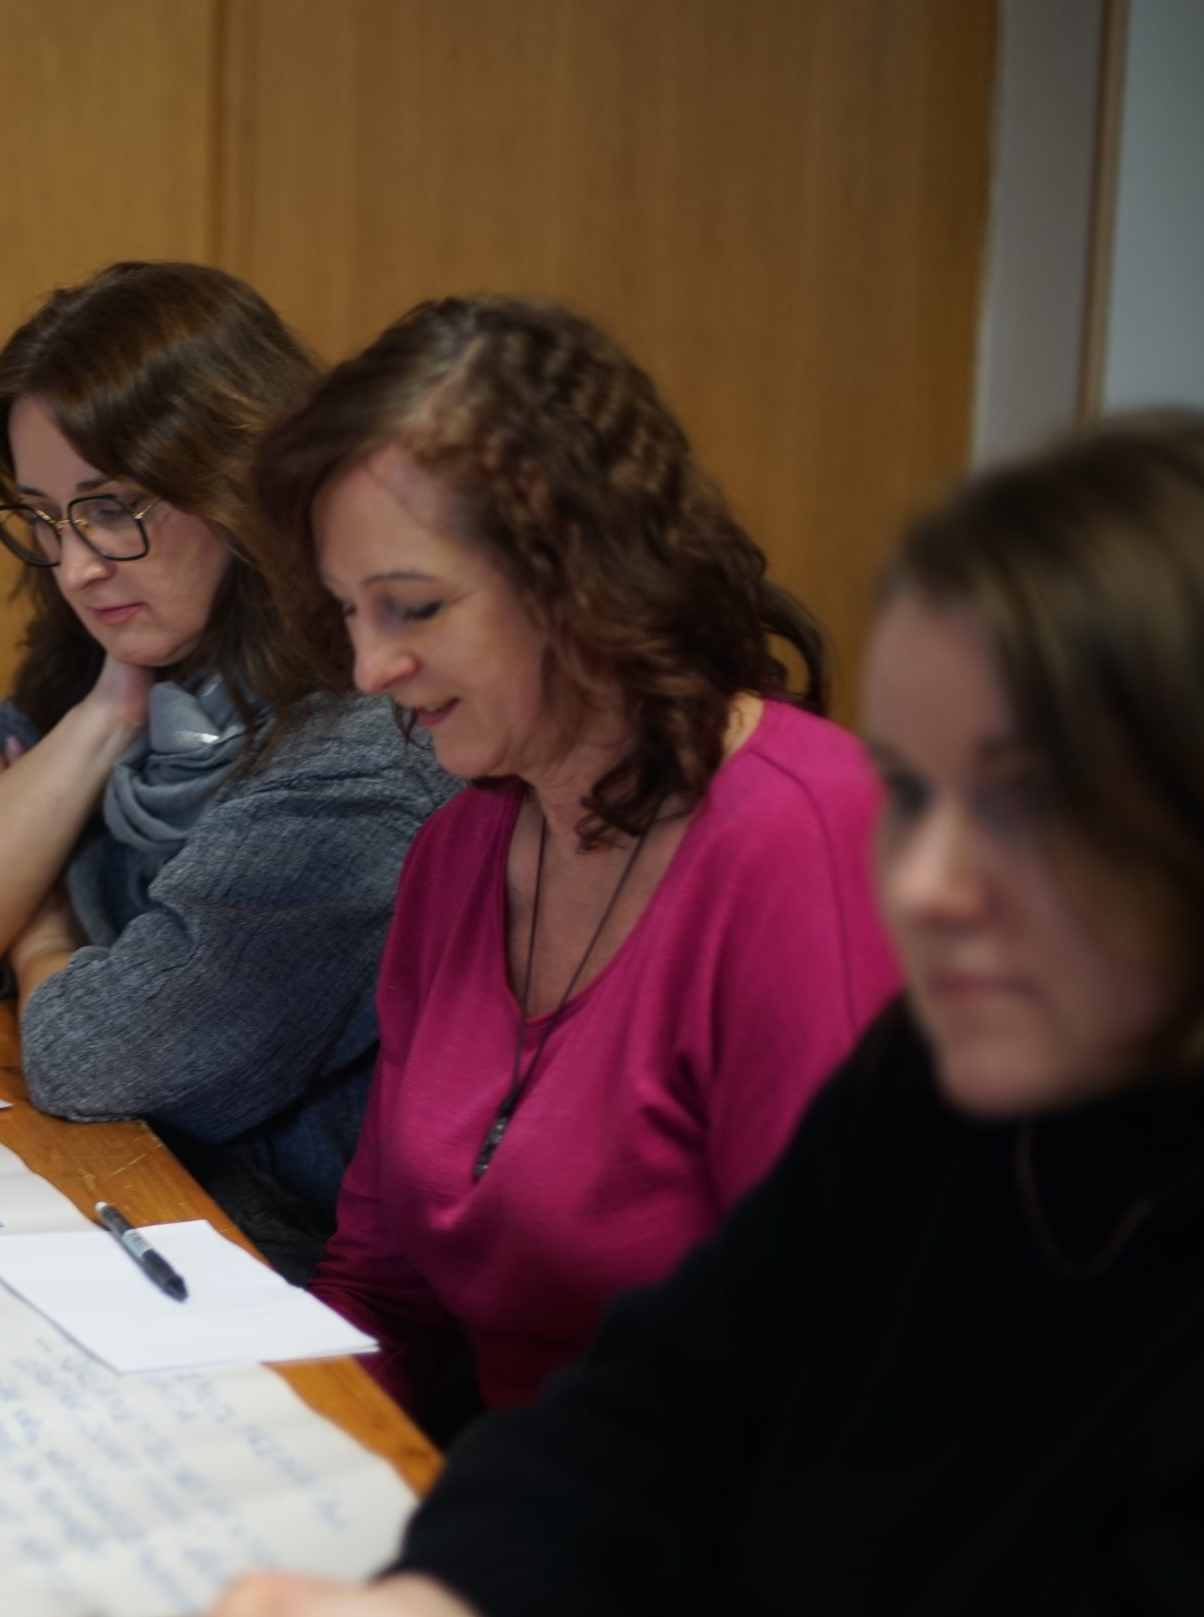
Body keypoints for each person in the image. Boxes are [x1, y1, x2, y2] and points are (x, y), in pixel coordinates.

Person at [141, 409, 1204, 1617]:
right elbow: (647, 1409)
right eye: (918, 794)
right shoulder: (941, 1082)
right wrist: (431, 1601)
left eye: (1022, 802)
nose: (925, 884)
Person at [257, 297, 900, 1423]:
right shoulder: (458, 852)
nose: (368, 668)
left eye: (413, 607)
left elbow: (836, 1378)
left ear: (577, 573)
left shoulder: (804, 837)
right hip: (526, 1480)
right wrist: (272, 1443)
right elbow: (383, 1289)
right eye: (350, 612)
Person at [0, 261, 452, 1281]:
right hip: (134, 1206)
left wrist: (41, 930)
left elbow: (94, 1059)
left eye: (113, 507)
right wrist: (105, 714)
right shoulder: (126, 664)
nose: (77, 566)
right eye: (46, 517)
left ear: (243, 481)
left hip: (296, 1274)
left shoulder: (364, 750)